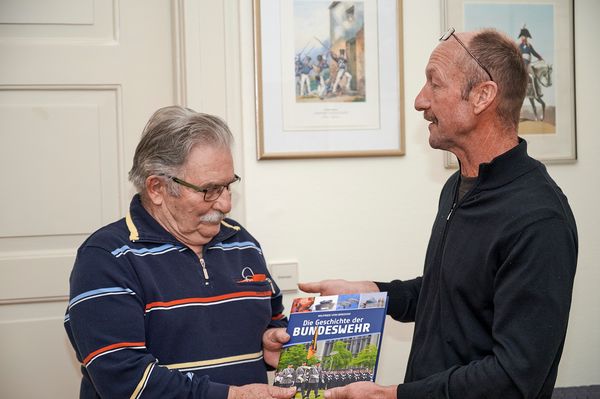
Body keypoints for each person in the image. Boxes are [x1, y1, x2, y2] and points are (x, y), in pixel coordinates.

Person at [300, 28, 578, 399]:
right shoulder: (458, 186)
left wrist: (392, 395)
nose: (419, 100)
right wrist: (370, 295)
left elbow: (514, 377)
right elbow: (448, 295)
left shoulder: (539, 220)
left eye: (435, 84)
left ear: (482, 96)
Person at [64, 106, 296, 399]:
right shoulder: (106, 257)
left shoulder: (242, 241)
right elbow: (123, 379)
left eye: (228, 186)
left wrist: (270, 342)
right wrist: (230, 396)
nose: (225, 203)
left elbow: (272, 320)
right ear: (157, 188)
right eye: (209, 190)